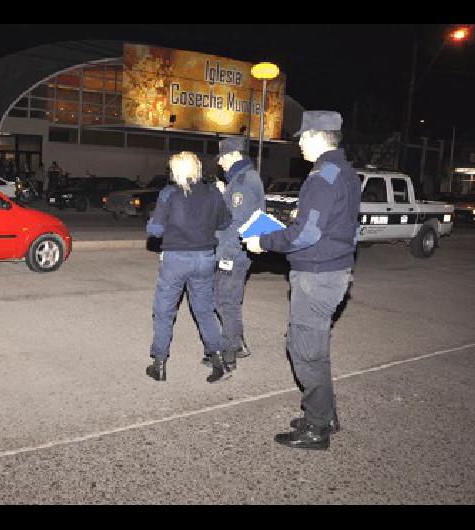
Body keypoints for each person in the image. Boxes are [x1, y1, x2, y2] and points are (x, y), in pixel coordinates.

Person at [243, 111, 361, 450]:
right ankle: (325, 416)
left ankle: (315, 430)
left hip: (318, 276)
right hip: (331, 271)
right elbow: (328, 222)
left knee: (304, 350)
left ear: (316, 137)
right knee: (315, 350)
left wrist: (262, 242)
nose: (298, 143)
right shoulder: (346, 172)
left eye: (302, 137)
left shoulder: (322, 176)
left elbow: (307, 235)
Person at [145, 151, 233, 383]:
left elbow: (155, 230)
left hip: (176, 260)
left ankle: (159, 363)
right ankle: (218, 361)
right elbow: (225, 222)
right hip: (205, 258)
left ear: (176, 171)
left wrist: (153, 220)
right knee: (204, 310)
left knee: (164, 311)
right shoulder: (213, 192)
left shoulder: (169, 193)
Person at [203, 137, 265, 370]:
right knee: (226, 301)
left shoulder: (244, 181)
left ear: (235, 155)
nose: (220, 164)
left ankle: (229, 354)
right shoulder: (241, 180)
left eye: (223, 158)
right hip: (233, 249)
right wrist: (226, 191)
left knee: (226, 302)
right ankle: (237, 345)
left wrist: (225, 256)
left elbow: (235, 222)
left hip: (233, 252)